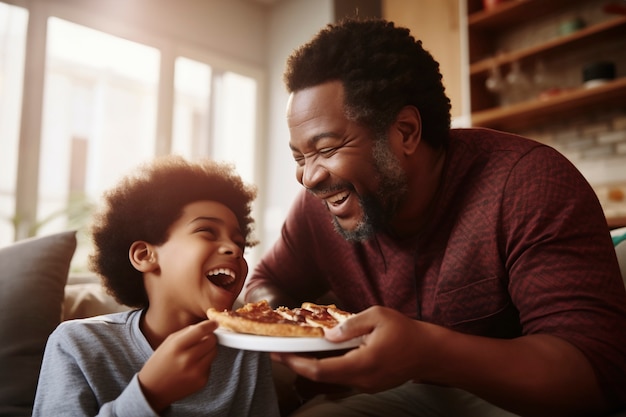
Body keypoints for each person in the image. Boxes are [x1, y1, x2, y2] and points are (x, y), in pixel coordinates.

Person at [243, 18, 626, 417]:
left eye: (326, 148)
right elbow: (266, 283)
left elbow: (597, 372)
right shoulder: (319, 208)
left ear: (405, 132)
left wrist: (429, 352)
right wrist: (294, 327)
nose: (309, 177)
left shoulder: (528, 183)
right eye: (299, 157)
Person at [34, 155, 279, 416]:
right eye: (207, 231)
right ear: (145, 256)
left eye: (239, 243)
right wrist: (150, 394)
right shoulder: (78, 344)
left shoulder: (247, 349)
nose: (233, 249)